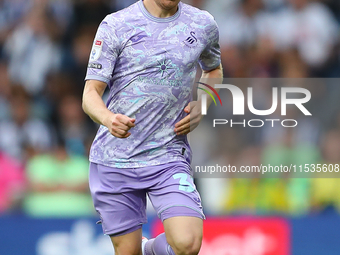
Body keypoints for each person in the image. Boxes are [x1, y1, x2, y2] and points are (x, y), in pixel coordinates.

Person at [82, 0, 222, 254]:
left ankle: (148, 250)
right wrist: (107, 118)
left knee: (188, 243)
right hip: (116, 159)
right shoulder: (116, 24)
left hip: (168, 155)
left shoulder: (203, 24)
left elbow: (213, 70)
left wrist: (203, 103)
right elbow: (90, 93)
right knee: (128, 251)